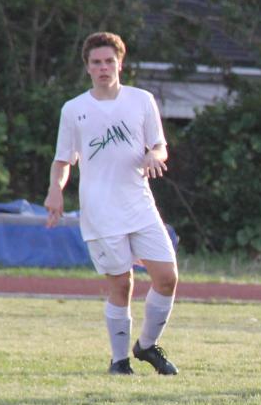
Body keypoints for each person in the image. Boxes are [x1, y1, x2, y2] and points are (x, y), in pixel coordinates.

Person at [45, 32, 179, 376]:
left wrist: (153, 154)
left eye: (109, 61)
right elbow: (63, 160)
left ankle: (147, 346)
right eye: (96, 62)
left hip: (140, 205)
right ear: (87, 67)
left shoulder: (141, 100)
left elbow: (160, 147)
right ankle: (119, 362)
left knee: (167, 278)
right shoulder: (74, 109)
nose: (103, 67)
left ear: (120, 63)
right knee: (122, 284)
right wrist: (55, 190)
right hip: (101, 212)